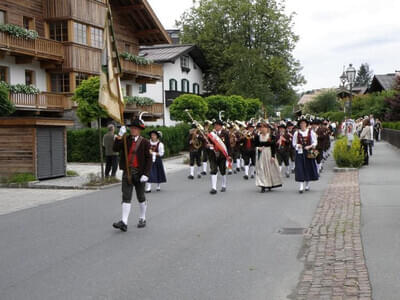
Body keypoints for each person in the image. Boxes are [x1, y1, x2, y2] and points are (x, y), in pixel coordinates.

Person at [112, 118, 152, 232]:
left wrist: (146, 174)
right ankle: (124, 222)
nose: (133, 130)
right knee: (126, 196)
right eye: (132, 128)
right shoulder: (125, 139)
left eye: (135, 128)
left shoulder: (145, 142)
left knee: (141, 197)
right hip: (127, 172)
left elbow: (149, 159)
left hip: (140, 173)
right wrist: (119, 136)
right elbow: (115, 148)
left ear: (139, 130)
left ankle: (142, 217)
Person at [292, 118, 319, 193]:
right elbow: (293, 143)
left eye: (304, 123)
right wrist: (298, 145)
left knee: (308, 168)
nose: (302, 125)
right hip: (300, 153)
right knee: (300, 168)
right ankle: (301, 186)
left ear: (306, 124)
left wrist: (310, 146)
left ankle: (307, 184)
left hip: (309, 152)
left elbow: (315, 142)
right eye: (301, 124)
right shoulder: (296, 133)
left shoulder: (311, 132)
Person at [255, 122, 282, 193]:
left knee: (270, 169)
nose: (262, 129)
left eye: (264, 128)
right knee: (262, 169)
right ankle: (263, 185)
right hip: (262, 155)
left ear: (267, 129)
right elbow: (255, 145)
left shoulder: (271, 136)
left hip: (269, 153)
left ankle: (270, 184)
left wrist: (273, 156)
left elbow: (273, 147)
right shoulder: (258, 137)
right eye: (261, 128)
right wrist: (258, 148)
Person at [207, 119, 230, 194]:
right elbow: (207, 143)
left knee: (222, 171)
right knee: (213, 170)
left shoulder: (225, 134)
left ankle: (223, 185)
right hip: (213, 155)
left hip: (222, 155)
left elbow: (228, 146)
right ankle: (214, 188)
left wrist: (229, 156)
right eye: (214, 125)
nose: (215, 126)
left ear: (220, 126)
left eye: (217, 125)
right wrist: (208, 145)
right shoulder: (212, 134)